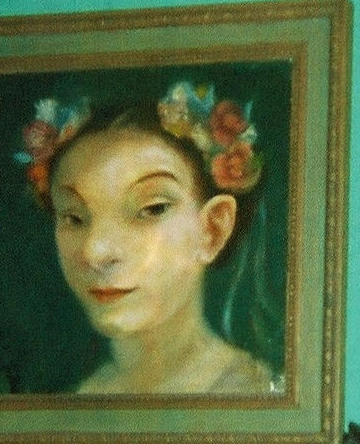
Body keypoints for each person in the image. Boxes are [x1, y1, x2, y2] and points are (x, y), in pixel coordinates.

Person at [16, 83, 279, 395]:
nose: (95, 251)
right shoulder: (79, 398)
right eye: (74, 217)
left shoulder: (253, 392)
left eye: (152, 209)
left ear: (212, 229)